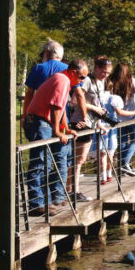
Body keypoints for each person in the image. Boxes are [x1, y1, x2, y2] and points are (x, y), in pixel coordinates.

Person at [23, 59, 88, 216]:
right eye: (82, 78)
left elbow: (62, 109)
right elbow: (55, 107)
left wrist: (65, 128)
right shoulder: (62, 80)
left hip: (42, 121)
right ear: (73, 72)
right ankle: (36, 204)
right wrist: (57, 131)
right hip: (39, 122)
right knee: (40, 162)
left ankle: (45, 201)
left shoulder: (64, 79)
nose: (82, 82)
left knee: (47, 161)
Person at [69, 56, 113, 201]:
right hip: (81, 122)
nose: (105, 75)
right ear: (97, 68)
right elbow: (75, 100)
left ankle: (70, 190)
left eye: (108, 74)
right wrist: (94, 108)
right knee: (79, 159)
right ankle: (73, 191)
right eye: (103, 72)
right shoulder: (87, 80)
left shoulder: (101, 82)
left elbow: (94, 101)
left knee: (80, 158)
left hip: (91, 123)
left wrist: (99, 121)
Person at [108, 63, 135, 177]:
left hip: (117, 117)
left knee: (122, 142)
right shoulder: (131, 80)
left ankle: (124, 167)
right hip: (132, 115)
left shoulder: (110, 81)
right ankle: (124, 163)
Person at [99, 74, 135, 183]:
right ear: (111, 88)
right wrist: (134, 112)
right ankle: (110, 173)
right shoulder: (113, 98)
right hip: (111, 127)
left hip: (100, 126)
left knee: (102, 153)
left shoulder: (99, 98)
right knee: (110, 152)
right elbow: (120, 112)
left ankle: (102, 176)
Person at [23, 38, 68, 124]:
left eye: (42, 53)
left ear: (46, 52)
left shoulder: (38, 68)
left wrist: (25, 116)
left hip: (40, 118)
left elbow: (29, 94)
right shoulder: (67, 69)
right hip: (61, 117)